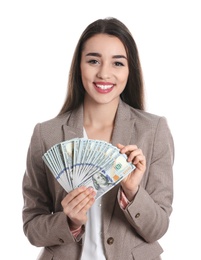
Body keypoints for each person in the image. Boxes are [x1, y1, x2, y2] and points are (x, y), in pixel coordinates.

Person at [22, 17, 174, 260]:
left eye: (117, 63)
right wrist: (69, 221)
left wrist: (133, 192)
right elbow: (32, 227)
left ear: (129, 70)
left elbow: (158, 228)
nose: (104, 73)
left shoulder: (153, 130)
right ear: (78, 66)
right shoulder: (46, 134)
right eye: (93, 60)